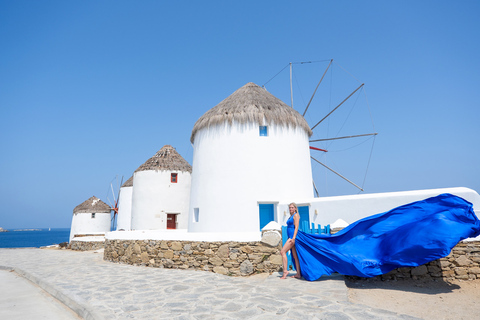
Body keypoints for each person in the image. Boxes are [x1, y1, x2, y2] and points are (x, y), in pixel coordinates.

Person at [280, 202, 302, 279]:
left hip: (292, 237)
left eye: (292, 207)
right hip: (290, 236)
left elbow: (296, 227)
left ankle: (285, 271)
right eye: (290, 207)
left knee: (282, 252)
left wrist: (293, 238)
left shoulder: (296, 215)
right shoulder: (291, 216)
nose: (291, 209)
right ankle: (298, 274)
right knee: (295, 256)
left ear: (295, 208)